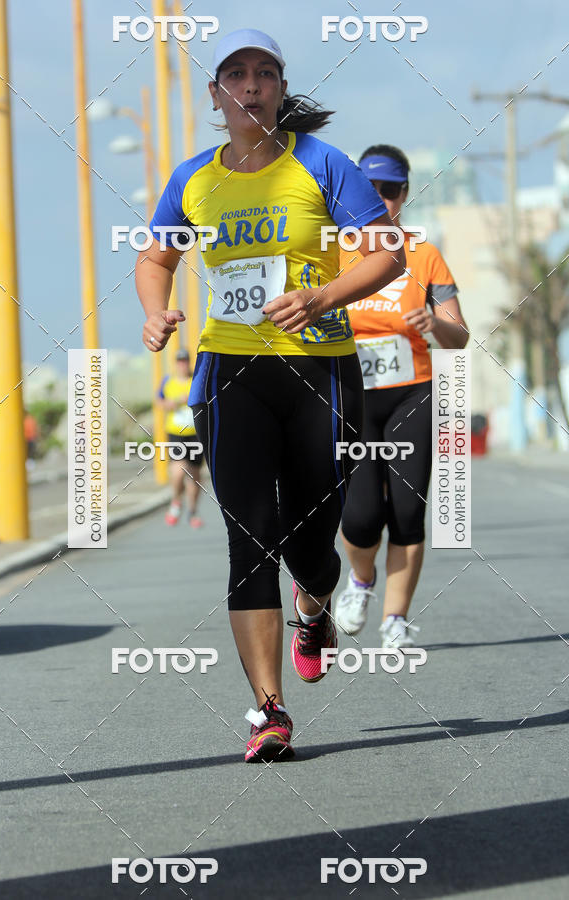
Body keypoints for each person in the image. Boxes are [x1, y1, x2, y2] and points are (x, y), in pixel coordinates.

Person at [136, 30, 405, 762]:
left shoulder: (323, 164)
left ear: (281, 91)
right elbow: (156, 253)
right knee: (250, 537)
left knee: (312, 544)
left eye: (266, 73)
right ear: (216, 94)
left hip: (320, 368)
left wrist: (322, 296)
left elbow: (387, 253)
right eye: (236, 74)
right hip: (232, 373)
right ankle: (269, 711)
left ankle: (313, 607)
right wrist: (155, 310)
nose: (251, 84)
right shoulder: (193, 178)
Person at [335, 144, 469, 647]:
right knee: (361, 516)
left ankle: (394, 619)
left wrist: (434, 322)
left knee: (408, 512)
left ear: (404, 195)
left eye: (390, 191)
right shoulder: (336, 249)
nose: (381, 200)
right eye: (370, 190)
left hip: (412, 391)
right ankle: (361, 580)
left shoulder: (424, 253)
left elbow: (460, 335)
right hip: (354, 395)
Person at [157, 348, 204, 528]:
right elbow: (159, 401)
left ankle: (192, 511)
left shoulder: (196, 379)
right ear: (176, 363)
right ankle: (176, 501)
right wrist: (172, 403)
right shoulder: (168, 381)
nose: (182, 364)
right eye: (180, 361)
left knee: (194, 475)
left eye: (185, 361)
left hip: (195, 433)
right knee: (178, 471)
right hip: (176, 433)